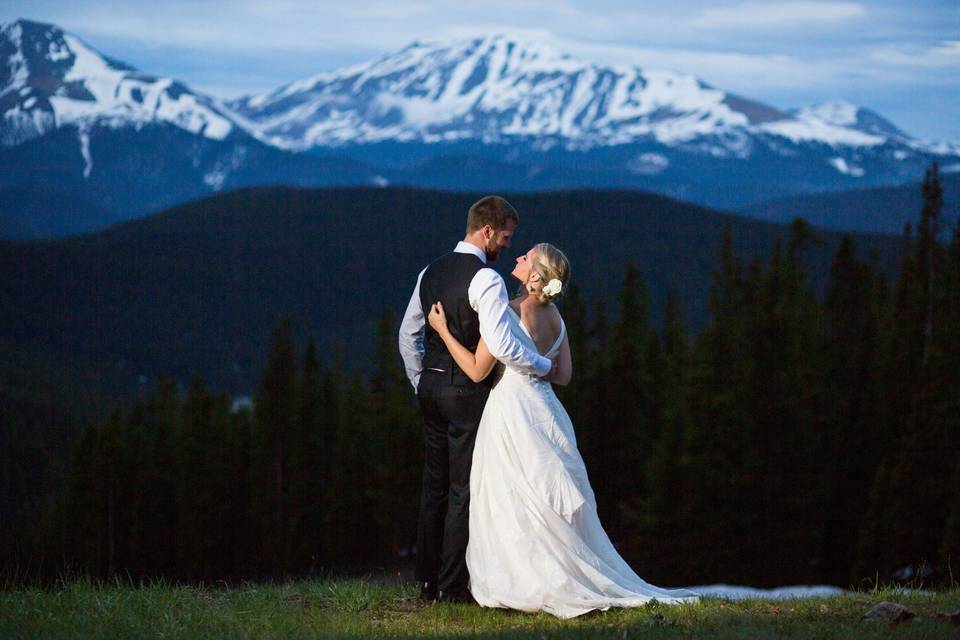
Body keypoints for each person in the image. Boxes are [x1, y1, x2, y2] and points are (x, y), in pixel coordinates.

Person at [425, 242, 701, 618]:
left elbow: (476, 370)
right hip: (547, 411)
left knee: (511, 495)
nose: (518, 258)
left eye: (525, 257)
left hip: (511, 410)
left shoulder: (505, 312)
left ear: (535, 275)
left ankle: (526, 577)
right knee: (544, 490)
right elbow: (564, 375)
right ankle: (565, 568)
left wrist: (442, 331)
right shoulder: (555, 317)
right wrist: (541, 366)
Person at [398, 195, 555, 603]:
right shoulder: (485, 279)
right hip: (465, 392)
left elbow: (408, 333)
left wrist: (420, 379)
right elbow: (501, 343)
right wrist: (541, 364)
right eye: (505, 237)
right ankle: (452, 586)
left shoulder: (428, 271)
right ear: (487, 231)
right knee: (463, 490)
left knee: (433, 487)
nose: (506, 245)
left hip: (430, 388)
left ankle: (427, 581)